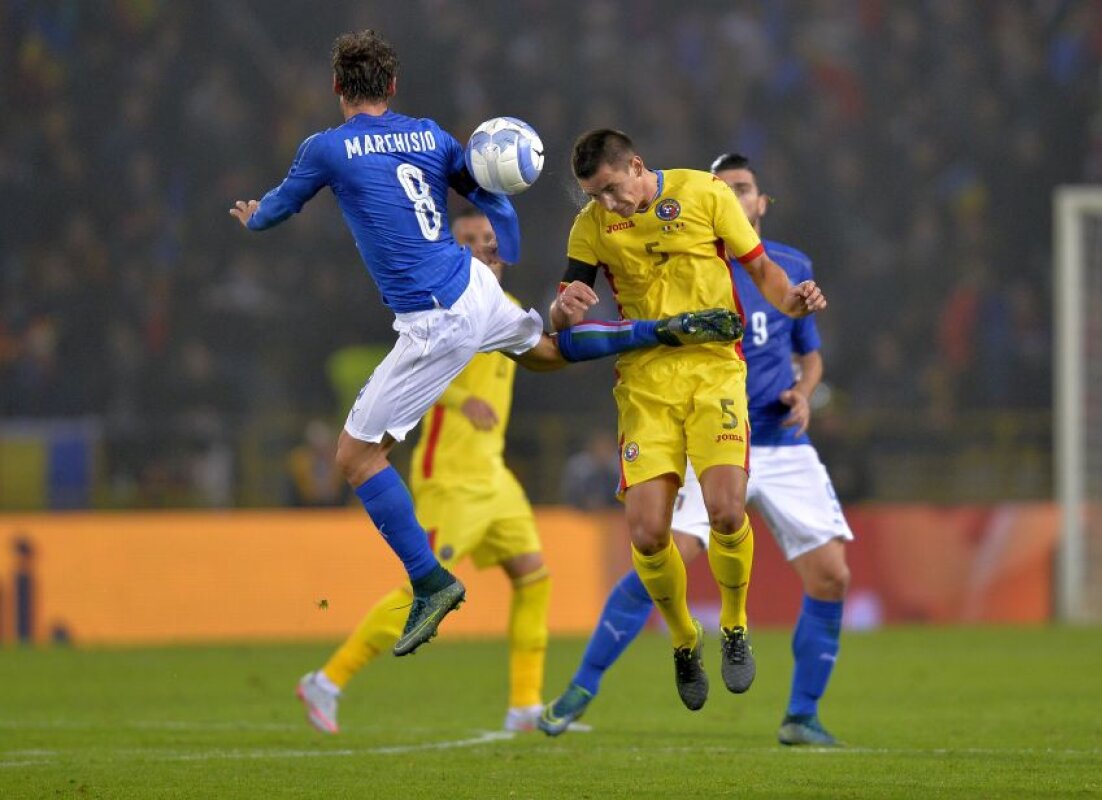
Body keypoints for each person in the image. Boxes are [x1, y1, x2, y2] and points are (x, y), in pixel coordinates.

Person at [229, 33, 745, 658]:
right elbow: (487, 192)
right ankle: (660, 331)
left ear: (337, 88)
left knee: (356, 456)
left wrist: (254, 215)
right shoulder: (430, 135)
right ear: (392, 88)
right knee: (544, 351)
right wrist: (507, 243)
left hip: (434, 315)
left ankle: (431, 583)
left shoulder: (325, 148)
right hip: (474, 284)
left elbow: (281, 208)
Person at [541, 153, 853, 746]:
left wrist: (807, 392)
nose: (732, 197)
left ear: (761, 203)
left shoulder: (785, 267)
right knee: (657, 545)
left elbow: (809, 352)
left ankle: (802, 715)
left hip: (777, 438)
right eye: (725, 187)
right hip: (687, 423)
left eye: (744, 188)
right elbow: (580, 309)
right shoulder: (690, 249)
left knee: (833, 574)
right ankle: (583, 686)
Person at [299, 209, 588, 733]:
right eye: (471, 240)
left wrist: (582, 330)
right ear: (449, 251)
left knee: (534, 577)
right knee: (425, 593)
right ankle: (327, 680)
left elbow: (548, 352)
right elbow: (409, 372)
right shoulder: (442, 307)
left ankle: (524, 706)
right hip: (451, 479)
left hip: (493, 479)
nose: (485, 247)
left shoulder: (509, 312)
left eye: (491, 239)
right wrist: (458, 400)